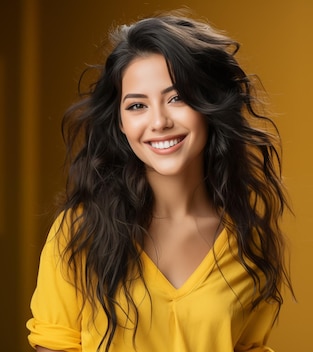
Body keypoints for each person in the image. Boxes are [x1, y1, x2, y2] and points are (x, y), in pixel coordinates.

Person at [26, 12, 293, 352]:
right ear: (121, 123)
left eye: (177, 98)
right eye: (137, 105)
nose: (159, 121)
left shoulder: (249, 238)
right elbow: (54, 344)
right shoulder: (79, 231)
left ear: (208, 106)